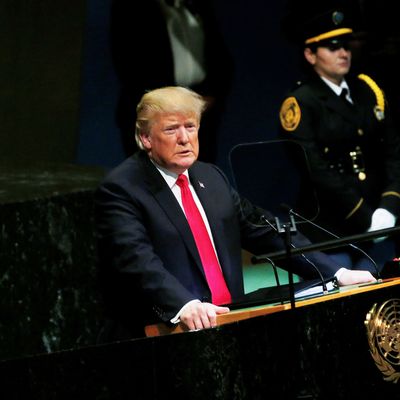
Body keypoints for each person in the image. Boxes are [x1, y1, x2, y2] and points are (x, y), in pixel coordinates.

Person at [94, 86, 375, 341]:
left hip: (232, 324)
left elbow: (266, 231)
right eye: (171, 130)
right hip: (167, 333)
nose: (184, 138)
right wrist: (182, 304)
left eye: (191, 126)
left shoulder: (210, 176)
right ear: (145, 138)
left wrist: (334, 272)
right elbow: (137, 260)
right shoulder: (123, 187)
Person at [278, 8, 400, 271]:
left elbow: (392, 152)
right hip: (330, 228)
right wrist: (365, 216)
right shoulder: (301, 102)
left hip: (381, 219)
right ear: (310, 54)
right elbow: (316, 168)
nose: (343, 53)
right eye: (332, 47)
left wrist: (389, 207)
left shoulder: (368, 90)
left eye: (345, 46)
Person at [110, 0, 233, 163]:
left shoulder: (198, 7)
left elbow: (222, 60)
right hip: (153, 117)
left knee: (197, 184)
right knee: (154, 184)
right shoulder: (131, 8)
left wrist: (210, 97)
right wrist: (172, 105)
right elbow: (129, 65)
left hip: (198, 116)